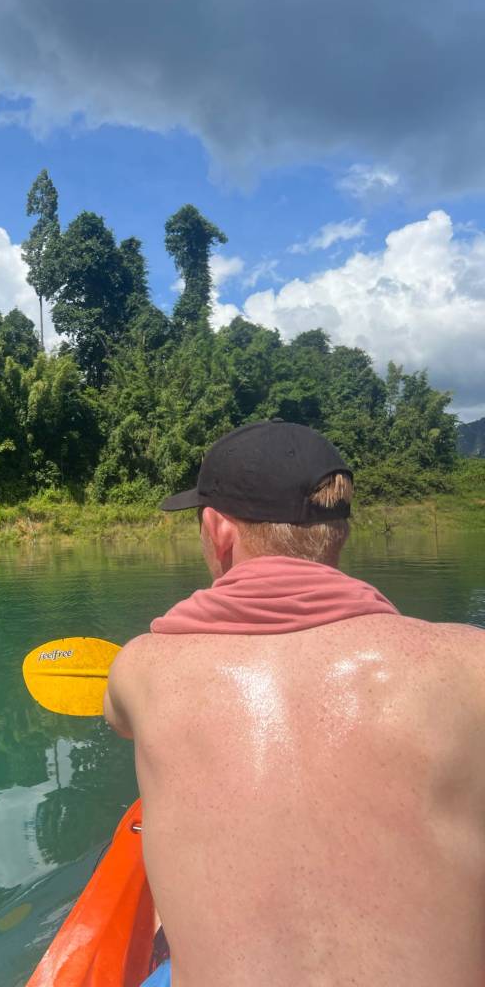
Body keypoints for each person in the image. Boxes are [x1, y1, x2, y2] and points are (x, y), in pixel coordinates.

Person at [103, 420, 485, 987]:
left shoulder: (140, 669)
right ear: (338, 534)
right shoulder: (469, 665)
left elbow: (117, 719)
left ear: (218, 531)